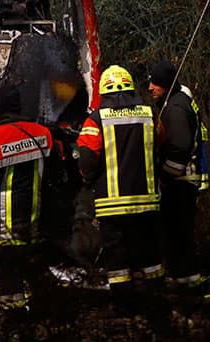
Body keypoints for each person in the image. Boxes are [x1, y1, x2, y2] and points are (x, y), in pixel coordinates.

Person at [77, 64, 163, 297]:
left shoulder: (96, 120)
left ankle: (125, 303)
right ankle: (156, 300)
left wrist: (87, 178)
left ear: (104, 91)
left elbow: (87, 156)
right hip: (147, 200)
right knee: (148, 252)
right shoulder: (149, 113)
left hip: (111, 204)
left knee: (117, 256)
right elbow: (160, 145)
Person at [0, 83, 53, 312]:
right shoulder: (43, 134)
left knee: (9, 277)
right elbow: (55, 174)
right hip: (37, 219)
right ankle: (46, 316)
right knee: (35, 273)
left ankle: (13, 320)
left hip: (6, 223)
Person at [148, 59, 207, 291]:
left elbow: (180, 147)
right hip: (185, 180)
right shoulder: (179, 101)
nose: (150, 87)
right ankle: (184, 278)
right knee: (180, 231)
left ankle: (185, 280)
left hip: (180, 181)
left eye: (156, 83)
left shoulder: (175, 108)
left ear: (167, 84)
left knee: (177, 232)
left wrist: (164, 176)